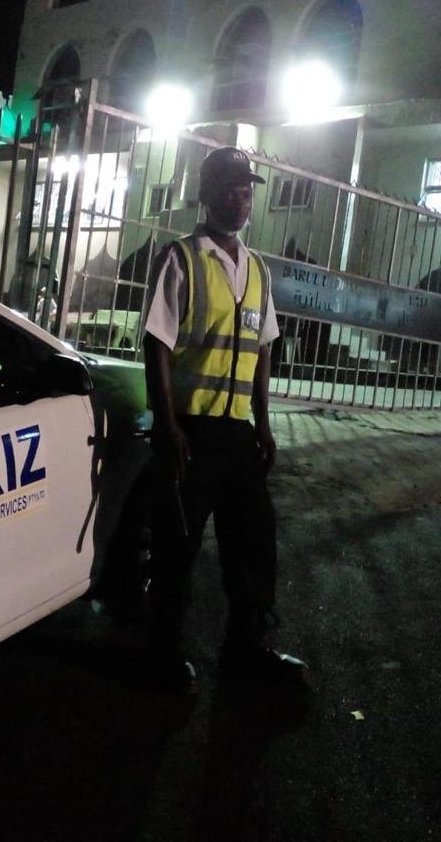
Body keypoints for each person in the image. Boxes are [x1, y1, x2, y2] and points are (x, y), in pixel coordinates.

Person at [142, 145, 307, 692]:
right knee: (177, 548)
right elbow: (157, 344)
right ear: (207, 195)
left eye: (246, 191)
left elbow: (262, 350)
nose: (241, 201)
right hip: (190, 430)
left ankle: (247, 647)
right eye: (231, 190)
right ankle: (162, 654)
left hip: (237, 433)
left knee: (253, 542)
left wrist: (264, 423)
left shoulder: (256, 269)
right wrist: (167, 425)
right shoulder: (181, 258)